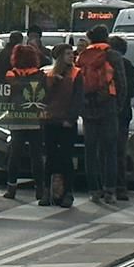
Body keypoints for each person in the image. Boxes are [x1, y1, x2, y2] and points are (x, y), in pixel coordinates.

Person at [76, 25, 125, 204]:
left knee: (91, 151)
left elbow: (78, 82)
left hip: (89, 108)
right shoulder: (113, 56)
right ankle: (110, 190)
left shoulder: (83, 56)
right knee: (110, 150)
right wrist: (117, 105)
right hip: (108, 106)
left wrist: (81, 107)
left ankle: (94, 190)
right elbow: (121, 83)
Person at [2, 42, 47, 201]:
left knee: (15, 155)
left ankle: (11, 187)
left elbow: (5, 96)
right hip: (35, 118)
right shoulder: (40, 76)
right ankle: (40, 189)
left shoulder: (11, 75)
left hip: (16, 118)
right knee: (37, 156)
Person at [41, 43, 83, 208]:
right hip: (51, 121)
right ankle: (46, 191)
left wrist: (71, 118)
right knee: (50, 157)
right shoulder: (49, 74)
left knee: (66, 158)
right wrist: (52, 82)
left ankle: (68, 192)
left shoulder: (76, 74)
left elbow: (78, 99)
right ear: (59, 57)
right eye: (67, 54)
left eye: (71, 53)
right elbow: (42, 98)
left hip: (66, 122)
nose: (71, 56)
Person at [110, 33, 134, 201]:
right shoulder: (127, 65)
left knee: (104, 151)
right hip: (122, 114)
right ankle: (120, 187)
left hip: (102, 113)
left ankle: (101, 185)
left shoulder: (102, 63)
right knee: (119, 151)